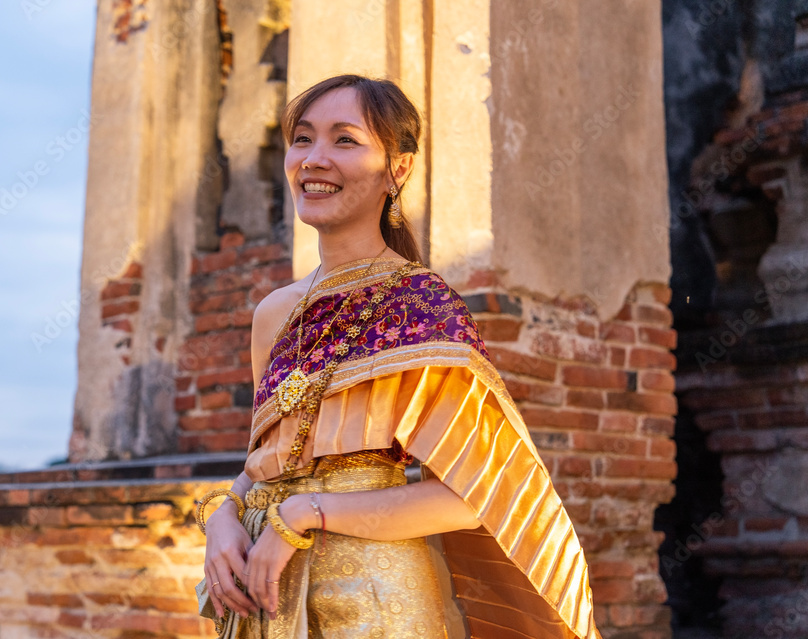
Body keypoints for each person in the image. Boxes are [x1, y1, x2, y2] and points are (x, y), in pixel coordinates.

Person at [196, 74, 602, 639]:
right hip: (266, 598)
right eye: (303, 138)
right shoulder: (275, 313)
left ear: (398, 169)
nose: (314, 159)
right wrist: (220, 516)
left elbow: (472, 497)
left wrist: (308, 512)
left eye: (345, 140)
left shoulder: (421, 307)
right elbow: (267, 462)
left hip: (376, 603)